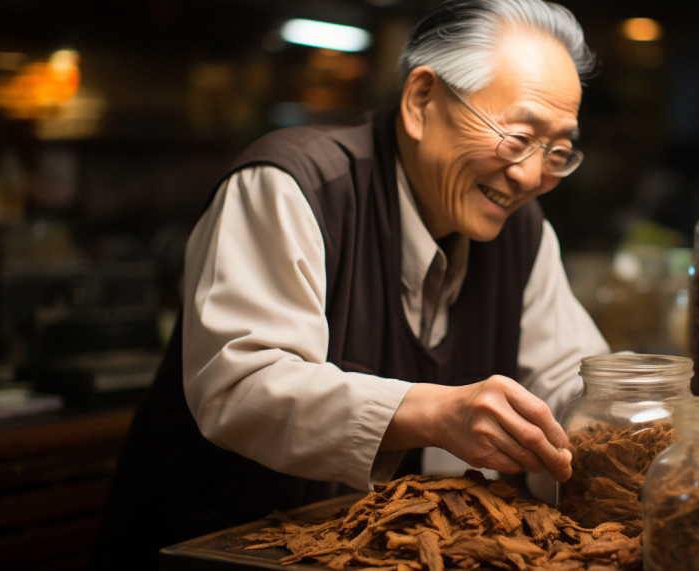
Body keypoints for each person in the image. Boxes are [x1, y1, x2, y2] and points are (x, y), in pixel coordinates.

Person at [90, 0, 608, 567]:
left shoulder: (522, 232)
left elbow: (571, 381)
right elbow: (242, 387)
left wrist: (619, 424)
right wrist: (436, 413)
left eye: (557, 151)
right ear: (421, 101)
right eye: (516, 136)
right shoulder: (294, 186)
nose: (531, 175)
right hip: (213, 548)